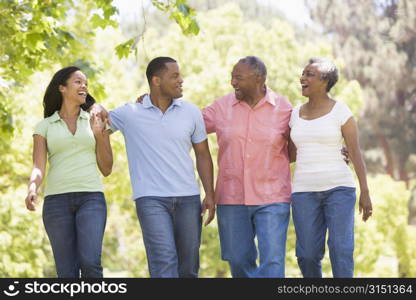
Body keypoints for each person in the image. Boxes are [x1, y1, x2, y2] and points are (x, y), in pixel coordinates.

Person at [107, 57, 215, 278]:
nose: (181, 80)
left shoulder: (191, 112)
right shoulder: (130, 113)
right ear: (156, 80)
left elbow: (203, 154)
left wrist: (210, 194)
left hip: (188, 199)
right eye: (174, 76)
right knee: (163, 261)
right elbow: (97, 125)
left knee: (188, 268)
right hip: (151, 199)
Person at [202, 56, 293, 277]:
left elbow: (301, 144)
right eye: (232, 77)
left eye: (238, 78)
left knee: (272, 262)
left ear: (259, 79)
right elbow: (188, 124)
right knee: (238, 260)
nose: (233, 82)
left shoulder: (284, 108)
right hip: (232, 198)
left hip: (272, 197)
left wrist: (337, 152)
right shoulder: (221, 107)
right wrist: (154, 103)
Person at [288, 57, 373, 278]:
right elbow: (288, 153)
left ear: (325, 81)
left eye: (309, 74)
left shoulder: (341, 111)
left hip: (339, 189)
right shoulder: (294, 114)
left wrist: (365, 191)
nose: (302, 78)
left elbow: (355, 152)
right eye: (303, 73)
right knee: (306, 255)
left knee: (340, 249)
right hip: (303, 192)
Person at [25, 66, 113, 278]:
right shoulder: (44, 126)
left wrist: (99, 134)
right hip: (56, 202)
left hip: (91, 198)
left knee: (91, 263)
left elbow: (107, 168)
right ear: (62, 88)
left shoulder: (95, 119)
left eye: (86, 83)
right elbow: (38, 165)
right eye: (78, 82)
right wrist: (32, 187)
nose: (84, 86)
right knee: (66, 272)